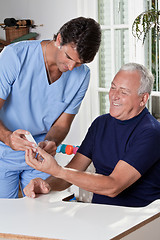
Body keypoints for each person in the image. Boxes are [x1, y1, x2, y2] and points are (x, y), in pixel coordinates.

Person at [24, 63, 160, 207]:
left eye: (123, 92)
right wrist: (45, 184)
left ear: (143, 99)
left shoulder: (151, 133)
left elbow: (113, 186)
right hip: (98, 215)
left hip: (138, 221)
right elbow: (70, 174)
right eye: (113, 87)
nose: (114, 96)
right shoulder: (101, 124)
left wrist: (57, 170)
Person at [0, 17, 101, 198]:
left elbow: (62, 124)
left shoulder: (82, 76)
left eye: (79, 63)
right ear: (59, 39)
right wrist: (8, 138)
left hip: (39, 156)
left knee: (41, 215)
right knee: (5, 217)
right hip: (3, 152)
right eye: (69, 57)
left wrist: (52, 141)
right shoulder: (14, 56)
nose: (71, 67)